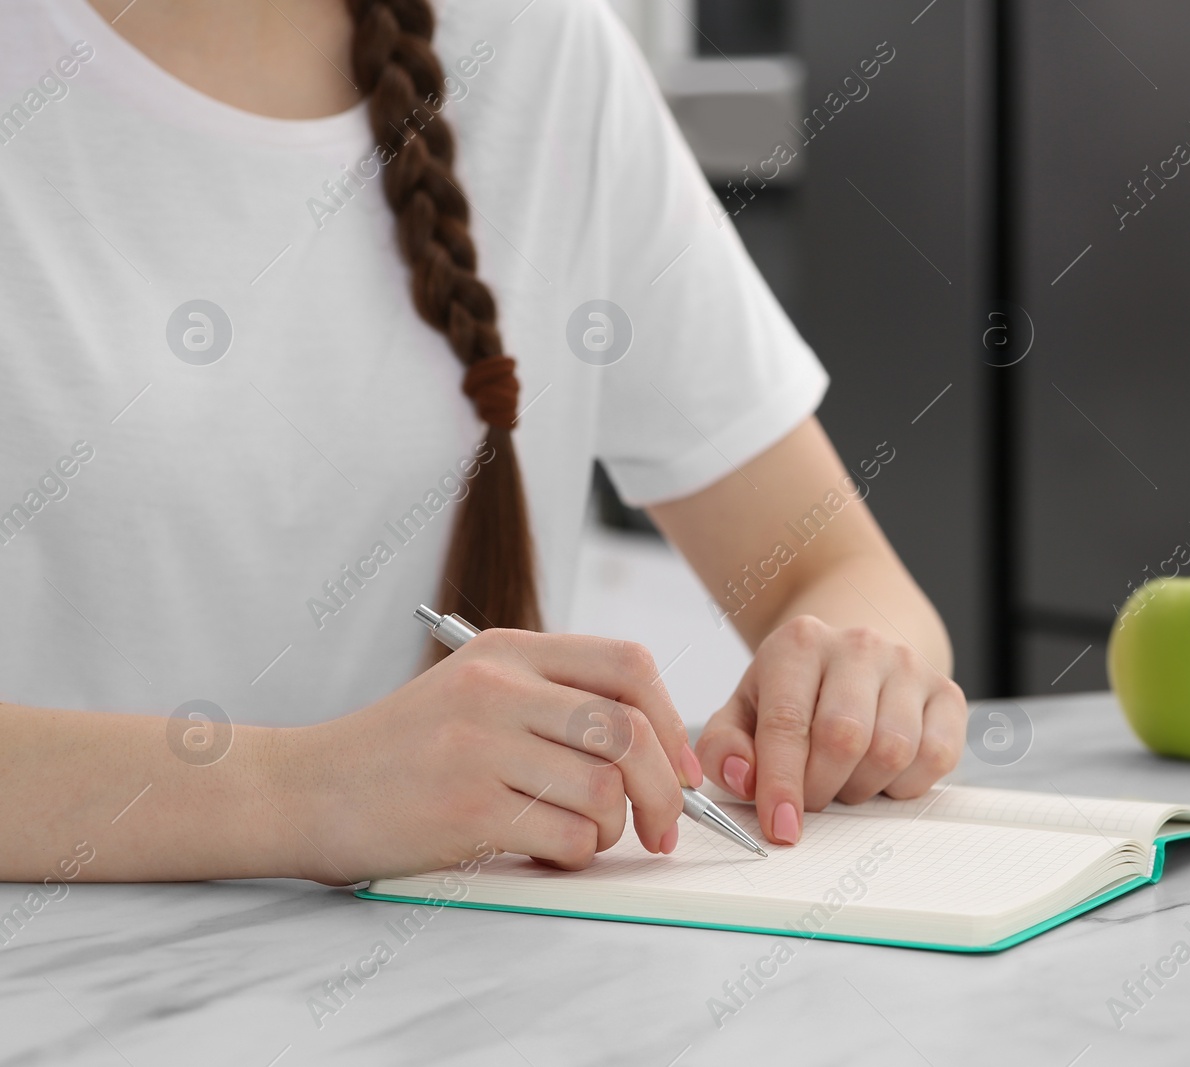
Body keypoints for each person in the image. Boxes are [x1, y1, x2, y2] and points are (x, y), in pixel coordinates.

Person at [0, 0, 965, 884]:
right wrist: (313, 791)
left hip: (477, 1002)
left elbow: (835, 575)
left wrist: (850, 684)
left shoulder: (544, 47)